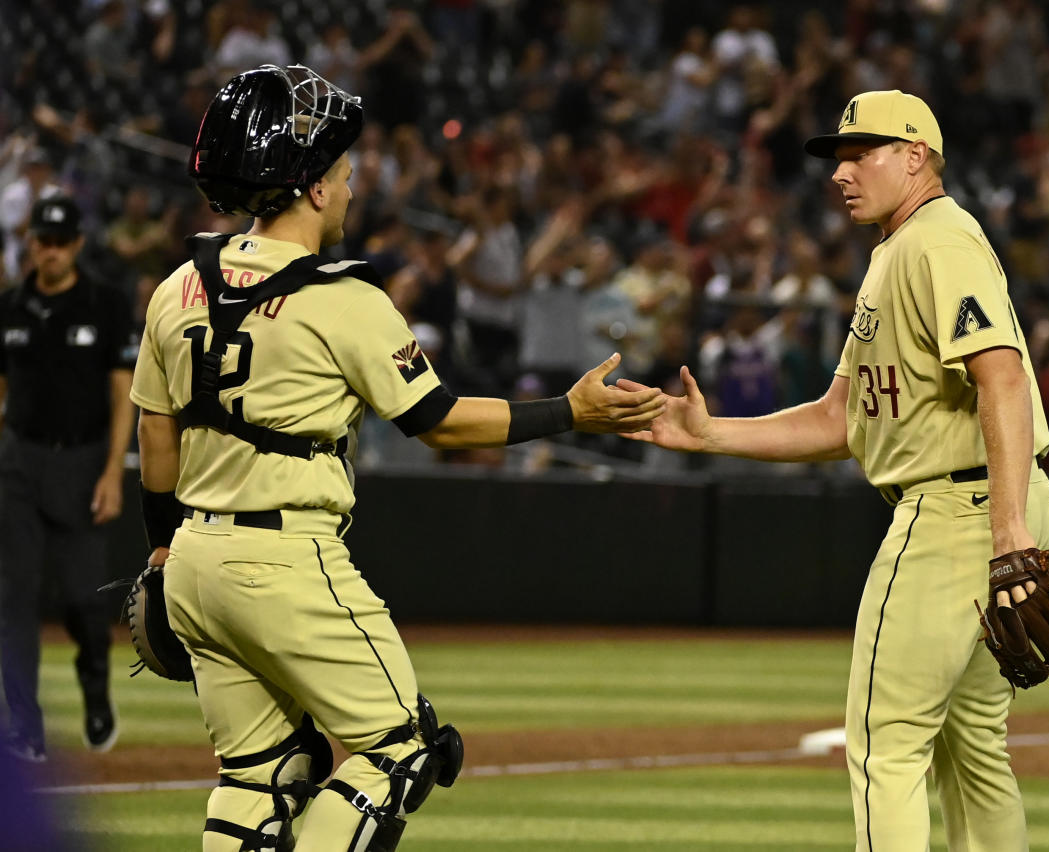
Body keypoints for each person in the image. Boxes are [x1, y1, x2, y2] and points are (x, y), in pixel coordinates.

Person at [129, 64, 664, 851]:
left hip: (194, 562)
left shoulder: (177, 286)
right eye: (342, 175)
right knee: (402, 752)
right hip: (284, 558)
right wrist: (570, 412)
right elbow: (439, 421)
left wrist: (163, 545)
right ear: (311, 187)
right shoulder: (345, 299)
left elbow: (154, 439)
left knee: (259, 775)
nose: (349, 190)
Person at [623, 90, 1049, 851]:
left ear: (916, 156)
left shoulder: (938, 241)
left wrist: (1009, 532)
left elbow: (1003, 374)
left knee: (884, 741)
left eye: (862, 153)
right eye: (838, 157)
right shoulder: (899, 250)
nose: (841, 171)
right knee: (974, 749)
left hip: (963, 511)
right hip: (988, 503)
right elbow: (839, 419)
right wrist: (709, 434)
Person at [0, 195, 138, 762]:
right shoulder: (9, 307)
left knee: (85, 601)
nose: (49, 251)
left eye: (59, 242)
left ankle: (96, 696)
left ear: (77, 244)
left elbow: (121, 391)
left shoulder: (104, 304)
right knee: (14, 601)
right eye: (41, 241)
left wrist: (112, 471)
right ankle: (25, 726)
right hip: (20, 465)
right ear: (30, 242)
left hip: (83, 465)